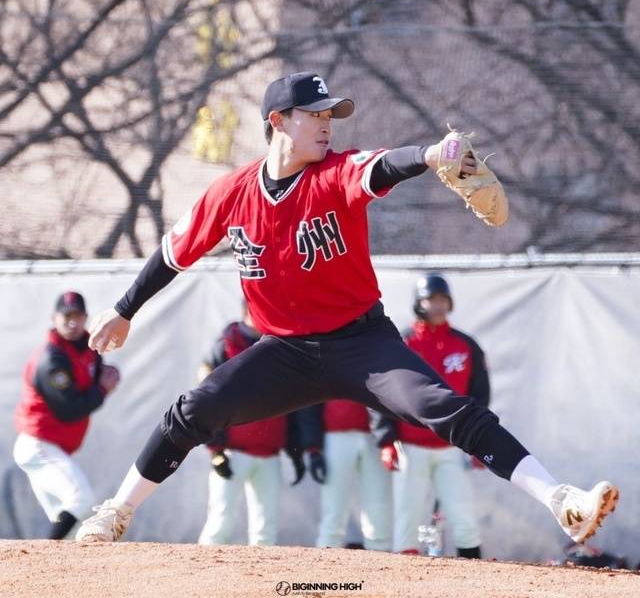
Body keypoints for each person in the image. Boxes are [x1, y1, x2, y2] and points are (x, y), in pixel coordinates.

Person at [74, 71, 618, 545]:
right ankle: (116, 512)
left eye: (330, 115)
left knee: (448, 410)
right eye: (314, 114)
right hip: (283, 352)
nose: (327, 124)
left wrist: (431, 156)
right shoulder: (232, 193)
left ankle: (561, 501)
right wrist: (124, 309)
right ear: (278, 121)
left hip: (362, 344)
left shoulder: (333, 175)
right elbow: (173, 254)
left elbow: (379, 167)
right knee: (193, 409)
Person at [377, 273, 488, 557]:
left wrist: (479, 442)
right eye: (431, 300)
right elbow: (381, 394)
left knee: (464, 519)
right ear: (419, 303)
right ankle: (403, 580)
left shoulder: (465, 345)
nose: (438, 306)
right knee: (407, 521)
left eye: (442, 300)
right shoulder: (402, 344)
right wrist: (386, 439)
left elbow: (480, 396)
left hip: (452, 446)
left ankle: (475, 578)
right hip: (410, 447)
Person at [197, 304, 325, 546]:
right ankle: (198, 571)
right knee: (219, 524)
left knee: (266, 529)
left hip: (269, 454)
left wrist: (296, 449)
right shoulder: (226, 345)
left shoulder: (282, 345)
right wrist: (215, 449)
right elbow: (206, 400)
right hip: (232, 452)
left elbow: (295, 401)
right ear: (248, 310)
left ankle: (259, 574)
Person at [14, 291, 120, 539]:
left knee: (64, 517)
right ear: (54, 318)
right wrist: (102, 389)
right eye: (67, 316)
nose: (73, 322)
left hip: (51, 446)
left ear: (86, 317)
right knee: (81, 499)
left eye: (78, 316)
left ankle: (49, 560)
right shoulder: (51, 359)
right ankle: (45, 552)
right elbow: (69, 410)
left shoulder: (86, 347)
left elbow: (95, 371)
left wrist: (109, 375)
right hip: (38, 445)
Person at [315, 399, 393, 551]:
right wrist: (312, 448)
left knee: (378, 502)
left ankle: (380, 553)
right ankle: (326, 553)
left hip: (374, 436)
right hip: (335, 432)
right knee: (334, 503)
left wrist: (387, 437)